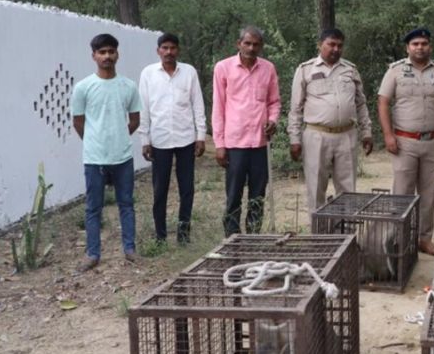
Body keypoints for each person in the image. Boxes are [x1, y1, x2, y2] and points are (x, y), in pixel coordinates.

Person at [377, 27, 434, 255]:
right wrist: (387, 135)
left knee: (429, 192)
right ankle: (399, 238)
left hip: (433, 141)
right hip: (404, 142)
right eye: (415, 44)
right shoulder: (395, 71)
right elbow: (383, 102)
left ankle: (424, 238)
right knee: (402, 192)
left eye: (424, 43)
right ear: (408, 48)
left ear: (430, 46)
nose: (420, 47)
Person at [70, 33, 141, 272]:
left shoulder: (128, 86)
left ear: (117, 54)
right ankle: (92, 254)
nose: (107, 56)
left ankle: (130, 249)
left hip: (123, 157)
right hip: (94, 158)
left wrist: (118, 136)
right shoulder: (83, 88)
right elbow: (78, 122)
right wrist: (94, 140)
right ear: (94, 56)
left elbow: (135, 119)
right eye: (102, 52)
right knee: (93, 208)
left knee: (126, 204)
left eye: (111, 52)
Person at [288, 28, 374, 211]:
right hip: (316, 136)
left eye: (339, 45)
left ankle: (346, 235)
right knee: (316, 188)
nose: (335, 49)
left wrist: (367, 132)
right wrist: (294, 139)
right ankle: (318, 237)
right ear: (320, 45)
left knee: (348, 189)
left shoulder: (350, 70)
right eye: (331, 44)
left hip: (347, 135)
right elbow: (296, 108)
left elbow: (361, 104)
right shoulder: (305, 70)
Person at [138, 32, 206, 244]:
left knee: (187, 189)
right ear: (158, 50)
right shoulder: (148, 74)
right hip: (159, 140)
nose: (169, 52)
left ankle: (183, 234)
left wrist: (201, 135)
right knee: (160, 190)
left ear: (178, 50)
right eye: (164, 48)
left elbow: (197, 104)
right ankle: (160, 236)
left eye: (172, 48)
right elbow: (144, 108)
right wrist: (145, 140)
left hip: (186, 138)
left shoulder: (189, 72)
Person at [212, 25, 281, 236]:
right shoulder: (223, 68)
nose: (251, 48)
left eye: (256, 44)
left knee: (257, 195)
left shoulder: (268, 68)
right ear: (238, 44)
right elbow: (218, 106)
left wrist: (273, 120)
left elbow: (274, 102)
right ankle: (232, 238)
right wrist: (220, 144)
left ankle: (253, 236)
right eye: (247, 43)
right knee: (233, 195)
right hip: (235, 144)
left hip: (260, 143)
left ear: (261, 46)